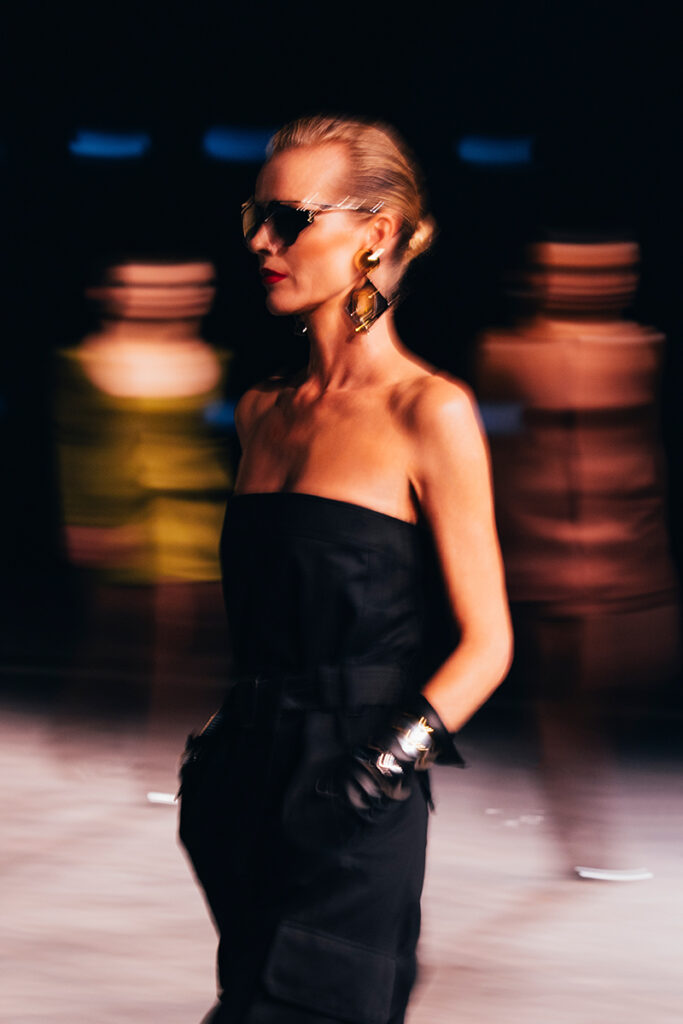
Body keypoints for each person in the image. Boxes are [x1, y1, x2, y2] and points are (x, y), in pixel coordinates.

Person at [178, 114, 513, 1024]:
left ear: (375, 233)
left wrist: (382, 770)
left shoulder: (428, 411)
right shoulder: (262, 412)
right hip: (241, 792)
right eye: (254, 216)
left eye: (288, 218)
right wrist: (215, 748)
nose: (260, 241)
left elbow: (488, 643)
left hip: (354, 798)